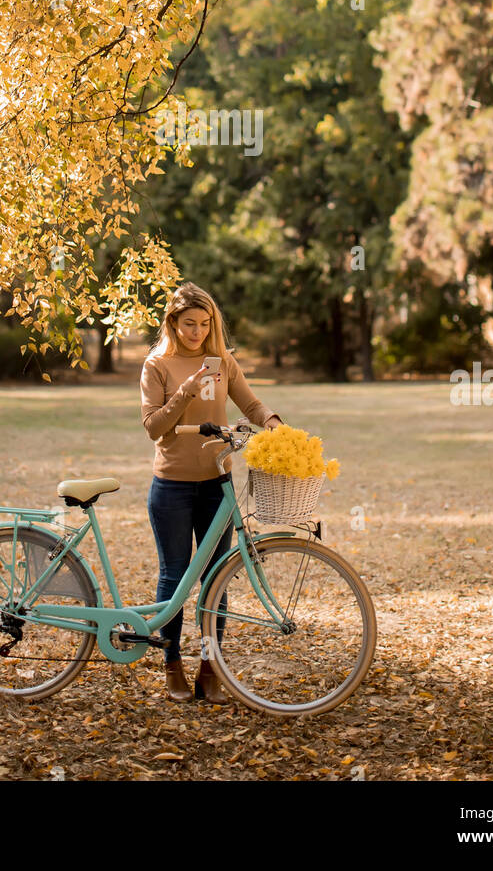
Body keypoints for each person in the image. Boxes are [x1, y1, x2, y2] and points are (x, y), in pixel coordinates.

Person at [140, 282, 283, 703]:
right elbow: (153, 427)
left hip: (217, 485)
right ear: (173, 322)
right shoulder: (157, 364)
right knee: (176, 578)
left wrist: (276, 425)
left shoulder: (223, 361)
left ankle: (209, 666)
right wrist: (188, 387)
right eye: (189, 324)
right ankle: (172, 666)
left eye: (205, 324)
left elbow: (251, 405)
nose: (197, 331)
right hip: (172, 485)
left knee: (216, 578)